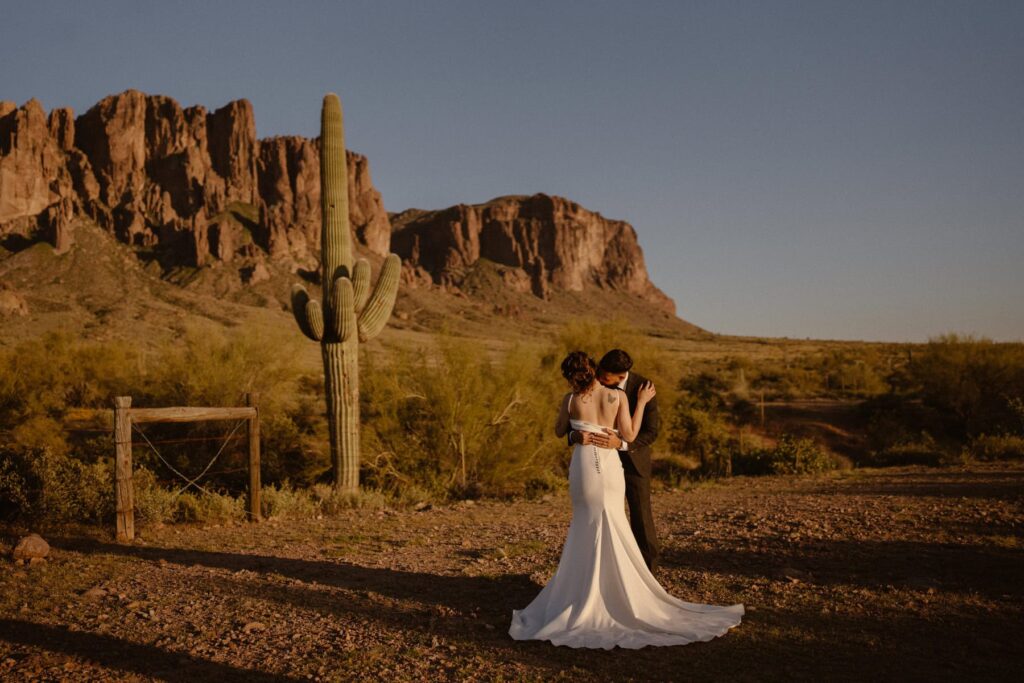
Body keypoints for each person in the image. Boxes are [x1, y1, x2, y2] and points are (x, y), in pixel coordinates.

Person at [508, 351, 743, 649]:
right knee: (614, 519)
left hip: (582, 468)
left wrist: (576, 434)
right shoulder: (617, 396)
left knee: (585, 523)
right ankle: (618, 592)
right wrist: (641, 403)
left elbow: (559, 431)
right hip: (608, 467)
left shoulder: (569, 399)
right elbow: (630, 433)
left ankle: (582, 592)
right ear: (593, 370)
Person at [569, 349, 661, 572]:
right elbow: (573, 421)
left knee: (641, 518)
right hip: (599, 465)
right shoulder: (591, 384)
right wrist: (574, 436)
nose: (599, 378)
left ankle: (648, 573)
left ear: (621, 376)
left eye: (605, 376)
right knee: (603, 516)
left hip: (633, 462)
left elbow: (652, 431)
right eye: (599, 372)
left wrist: (621, 444)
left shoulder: (643, 388)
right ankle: (605, 570)